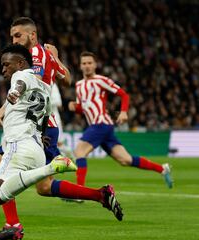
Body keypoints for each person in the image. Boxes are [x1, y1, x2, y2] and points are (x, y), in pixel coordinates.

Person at [0, 44, 123, 240]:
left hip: (18, 146)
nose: (3, 69)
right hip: (34, 147)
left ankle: (51, 171)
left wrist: (14, 93)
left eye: (6, 65)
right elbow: (44, 116)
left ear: (21, 63)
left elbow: (19, 83)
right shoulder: (44, 87)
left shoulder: (21, 74)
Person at [0, 16, 76, 240]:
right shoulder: (40, 55)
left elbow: (29, 85)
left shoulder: (35, 56)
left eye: (18, 36)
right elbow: (67, 80)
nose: (14, 40)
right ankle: (12, 225)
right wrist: (56, 59)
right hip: (25, 124)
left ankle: (99, 195)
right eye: (12, 37)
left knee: (43, 186)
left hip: (38, 126)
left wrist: (4, 107)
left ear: (32, 35)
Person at [69, 51, 173, 188]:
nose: (87, 66)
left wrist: (123, 112)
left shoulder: (102, 81)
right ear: (80, 66)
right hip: (99, 126)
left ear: (95, 65)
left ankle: (79, 193)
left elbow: (124, 95)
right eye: (84, 63)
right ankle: (162, 168)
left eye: (90, 63)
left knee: (79, 152)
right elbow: (84, 108)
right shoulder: (79, 85)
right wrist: (75, 107)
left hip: (101, 124)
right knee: (126, 160)